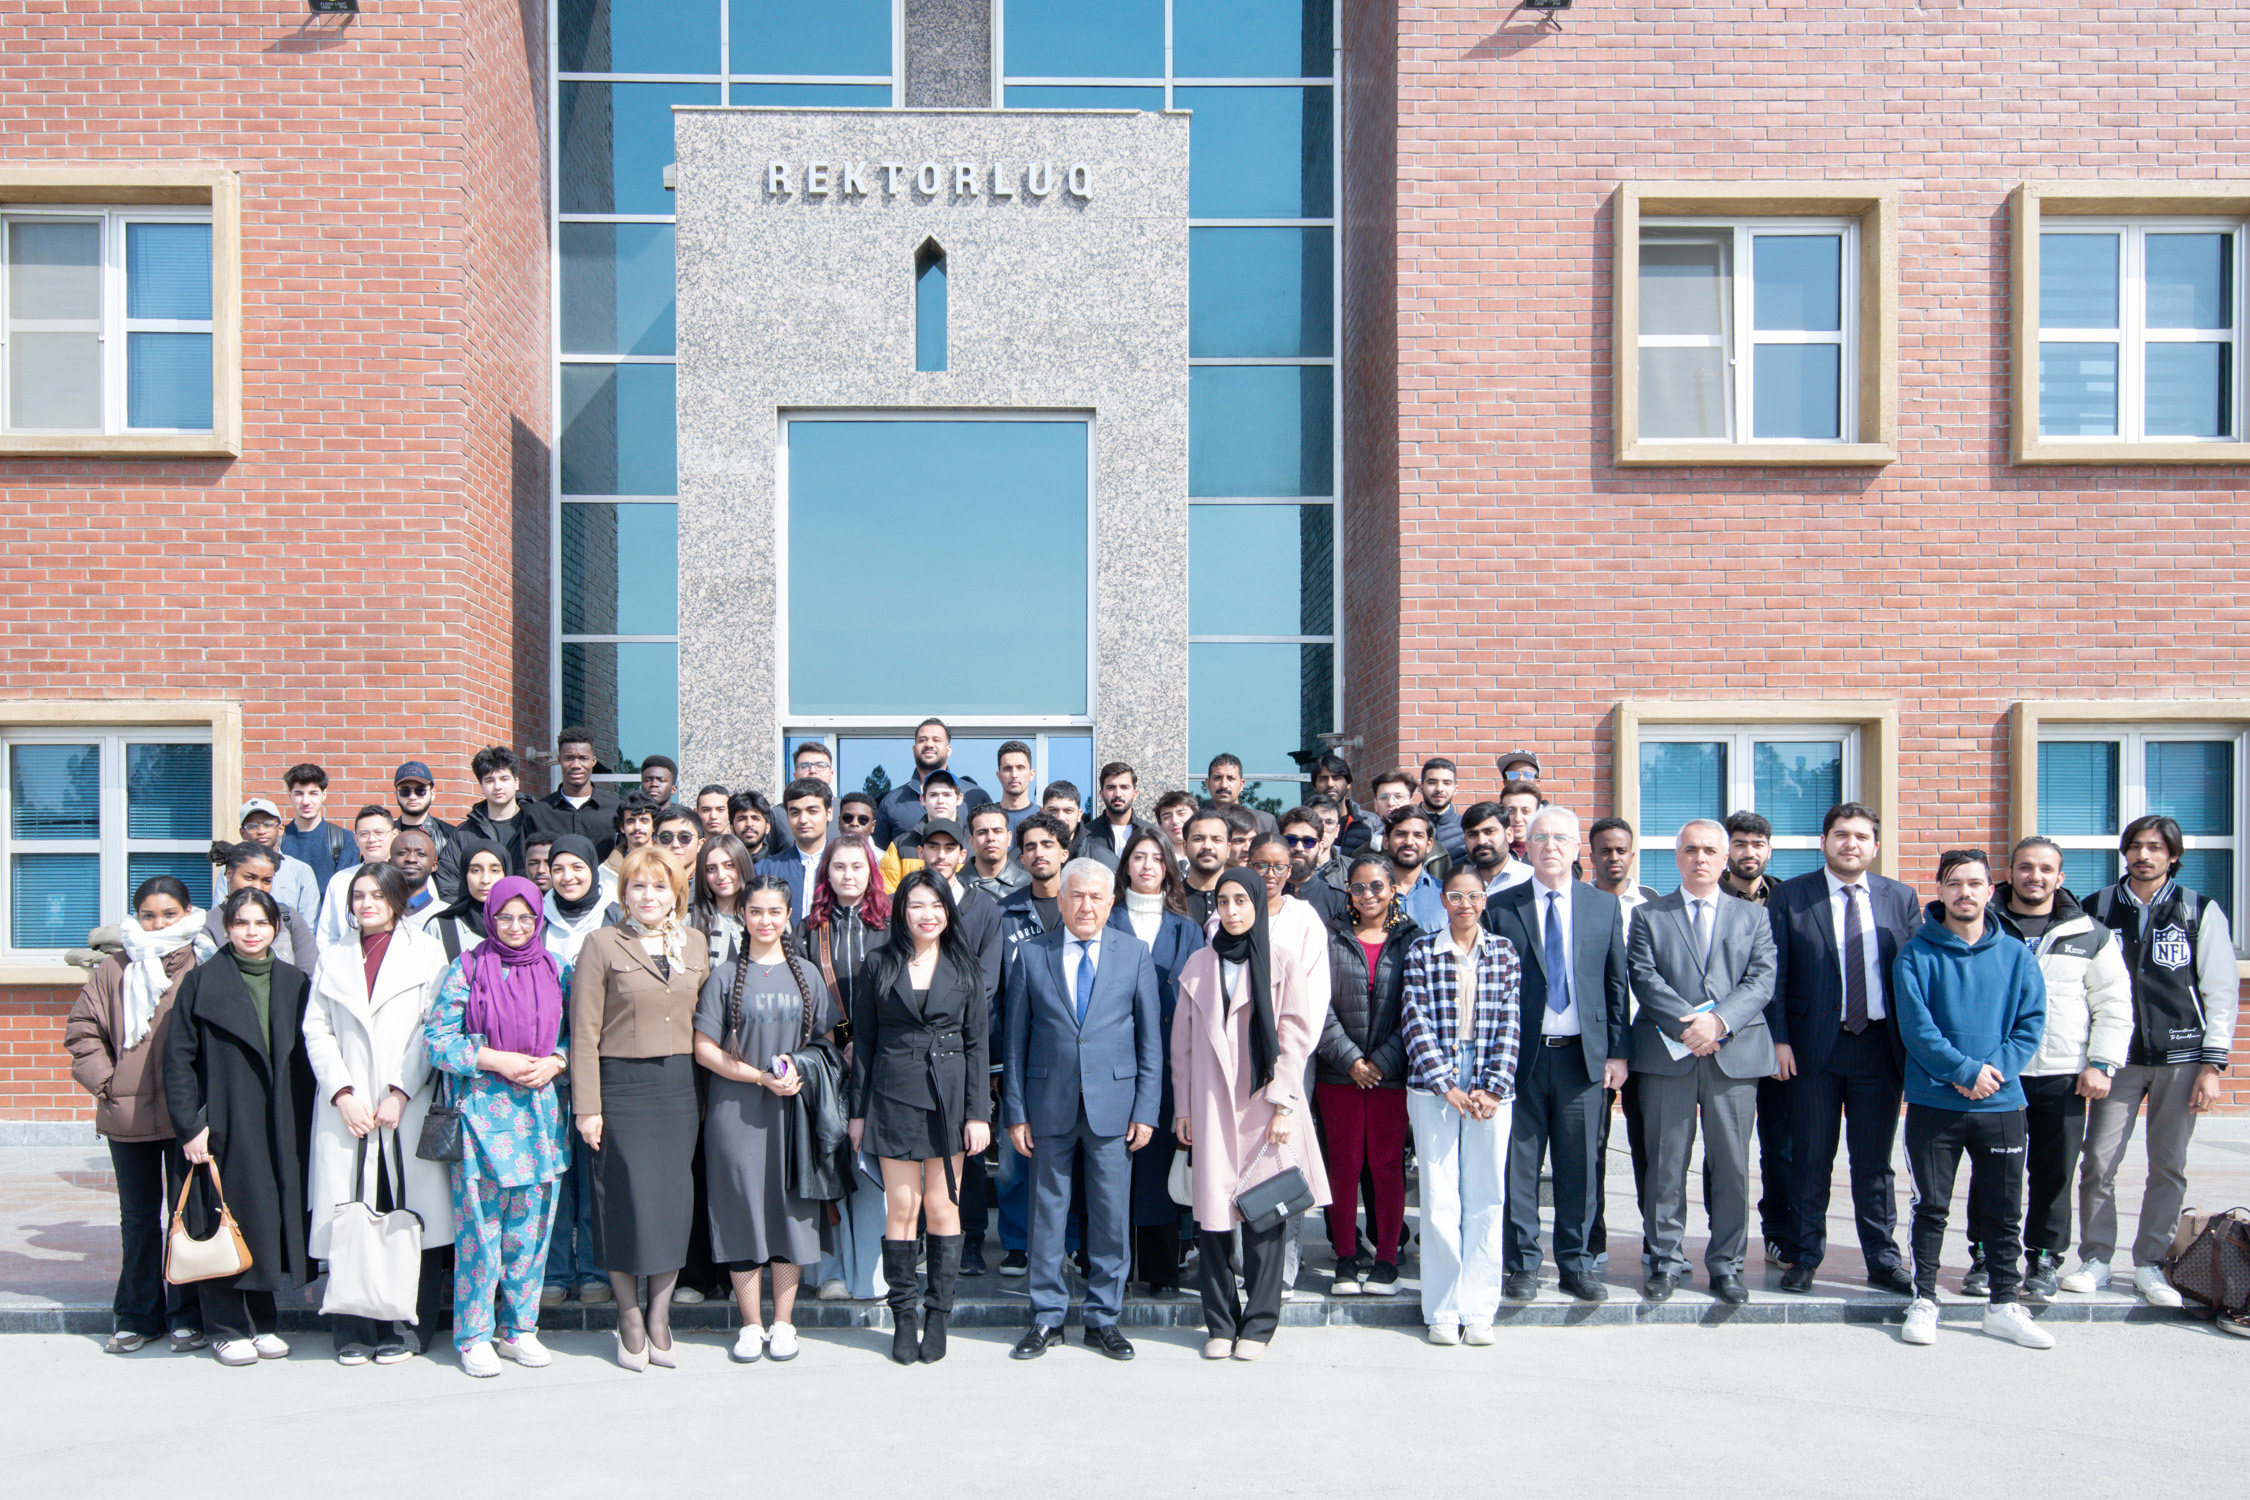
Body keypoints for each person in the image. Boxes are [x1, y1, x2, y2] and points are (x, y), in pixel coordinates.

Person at [2067, 813, 2239, 1307]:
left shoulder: (2198, 910)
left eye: (2156, 847)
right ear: (2125, 852)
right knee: (2098, 1162)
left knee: (2168, 1166)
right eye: (2136, 846)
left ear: (2173, 855)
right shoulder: (2097, 907)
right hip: (2115, 1058)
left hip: (2181, 1057)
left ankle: (2150, 1263)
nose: (2144, 855)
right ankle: (2096, 1259)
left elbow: (2221, 991)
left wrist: (2212, 1067)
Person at [1003, 858, 1163, 1362]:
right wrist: (1015, 1112)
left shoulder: (1134, 954)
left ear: (1111, 902)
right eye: (1076, 895)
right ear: (1061, 899)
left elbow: (1150, 1042)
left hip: (1114, 1109)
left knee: (1111, 1217)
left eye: (1096, 896)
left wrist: (1146, 1110)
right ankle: (1046, 1316)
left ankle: (1103, 1318)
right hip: (1047, 1106)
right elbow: (1014, 1042)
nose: (1086, 906)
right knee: (1047, 1214)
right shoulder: (1032, 954)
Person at [1892, 850, 2052, 1349]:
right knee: (1931, 1207)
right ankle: (1924, 1299)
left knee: (2003, 1211)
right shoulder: (1915, 955)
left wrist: (1990, 1075)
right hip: (1935, 1104)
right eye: (1955, 883)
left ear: (1990, 891)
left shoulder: (2017, 955)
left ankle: (2004, 1304)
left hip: (2001, 1105)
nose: (1965, 892)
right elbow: (1917, 1030)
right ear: (1940, 890)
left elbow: (2030, 1024)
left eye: (1975, 883)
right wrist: (1964, 1073)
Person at [1170, 869, 1330, 1361]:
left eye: (1242, 900)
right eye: (1224, 901)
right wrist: (1183, 1109)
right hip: (1211, 1105)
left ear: (1258, 904)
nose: (1232, 910)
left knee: (1265, 1217)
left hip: (1265, 1105)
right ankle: (1220, 1323)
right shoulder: (1199, 963)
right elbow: (1182, 1045)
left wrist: (1283, 1103)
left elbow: (1296, 1037)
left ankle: (1259, 1325)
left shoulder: (1281, 960)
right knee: (1213, 1220)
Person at [303, 862, 456, 1363]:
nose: (366, 904)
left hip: (402, 1106)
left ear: (396, 899)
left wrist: (400, 1092)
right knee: (349, 1216)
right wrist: (343, 1093)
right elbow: (317, 1029)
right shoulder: (334, 956)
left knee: (410, 1216)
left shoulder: (426, 951)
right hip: (348, 1109)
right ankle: (354, 1328)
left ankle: (408, 1327)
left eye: (376, 894)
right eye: (358, 895)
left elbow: (432, 1027)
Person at [1766, 802, 1920, 1297]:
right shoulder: (1791, 896)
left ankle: (1882, 1259)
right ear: (1824, 842)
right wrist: (1779, 1039)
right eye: (1840, 834)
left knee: (1874, 1163)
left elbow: (1914, 977)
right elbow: (1774, 975)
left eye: (1860, 836)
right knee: (1810, 1159)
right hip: (1812, 1049)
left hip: (1879, 1047)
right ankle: (1804, 1256)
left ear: (1875, 845)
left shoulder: (1900, 897)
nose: (1850, 843)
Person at [423, 875, 571, 1377]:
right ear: (489, 918)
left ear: (538, 919)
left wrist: (556, 1061)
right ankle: (473, 1334)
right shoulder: (467, 968)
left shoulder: (557, 969)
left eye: (525, 917)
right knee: (480, 1233)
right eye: (504, 917)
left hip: (540, 1119)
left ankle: (519, 1329)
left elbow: (579, 1034)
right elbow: (437, 1040)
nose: (515, 926)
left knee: (530, 1232)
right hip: (480, 1117)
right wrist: (493, 1058)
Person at [1626, 819, 1778, 1307]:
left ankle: (1727, 1265)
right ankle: (1666, 1261)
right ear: (1677, 857)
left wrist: (1718, 1023)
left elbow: (1761, 979)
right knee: (1666, 1164)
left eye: (1710, 850)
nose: (1700, 858)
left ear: (1724, 857)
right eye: (1690, 849)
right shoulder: (1649, 915)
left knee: (1731, 1165)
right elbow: (1644, 977)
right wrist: (1690, 1028)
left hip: (1733, 1055)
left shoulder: (1753, 916)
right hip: (1667, 1054)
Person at [162, 888, 317, 1365]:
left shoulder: (294, 981)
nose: (252, 932)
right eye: (241, 923)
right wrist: (190, 1126)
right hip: (224, 1120)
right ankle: (225, 1327)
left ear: (276, 928)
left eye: (261, 923)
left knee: (265, 1218)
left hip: (281, 1120)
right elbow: (177, 1061)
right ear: (226, 927)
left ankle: (263, 1322)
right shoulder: (201, 982)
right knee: (222, 1216)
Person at [1481, 806, 1630, 1302]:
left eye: (1561, 838)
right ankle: (1522, 1264)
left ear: (1576, 848)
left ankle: (1576, 1263)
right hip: (1519, 1060)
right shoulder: (1501, 907)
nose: (1551, 846)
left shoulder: (1603, 906)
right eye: (1541, 837)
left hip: (1582, 1060)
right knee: (1518, 1169)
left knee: (1579, 1168)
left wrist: (1617, 1053)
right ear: (1527, 846)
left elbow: (1615, 984)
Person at [570, 847, 711, 1369]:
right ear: (624, 892)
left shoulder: (694, 942)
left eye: (659, 886)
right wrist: (587, 1107)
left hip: (679, 1089)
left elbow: (706, 1019)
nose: (649, 896)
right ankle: (628, 1316)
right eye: (638, 886)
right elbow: (583, 1031)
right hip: (621, 1088)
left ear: (677, 893)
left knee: (673, 1203)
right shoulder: (601, 943)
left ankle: (659, 1315)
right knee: (624, 1202)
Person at [694, 875, 843, 1365]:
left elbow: (831, 1035)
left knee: (789, 1216)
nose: (765, 920)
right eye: (755, 911)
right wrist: (758, 1077)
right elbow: (703, 1049)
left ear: (787, 916)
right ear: (743, 915)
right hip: (735, 1114)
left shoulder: (808, 974)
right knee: (740, 1213)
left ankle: (783, 1322)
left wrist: (801, 1065)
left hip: (794, 1113)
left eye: (774, 912)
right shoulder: (722, 977)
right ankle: (750, 1324)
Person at [66, 874, 214, 1353]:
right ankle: (136, 1315)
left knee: (186, 1215)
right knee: (137, 1219)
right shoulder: (114, 968)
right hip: (126, 1116)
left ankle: (186, 1314)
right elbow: (83, 1030)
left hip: (186, 1116)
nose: (158, 923)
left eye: (169, 914)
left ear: (188, 912)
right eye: (148, 915)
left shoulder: (204, 961)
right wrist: (107, 1084)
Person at [850, 870, 992, 1363]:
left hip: (949, 1098)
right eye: (916, 905)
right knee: (903, 1208)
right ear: (901, 912)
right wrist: (857, 1112)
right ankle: (904, 1318)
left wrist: (978, 1114)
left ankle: (938, 1316)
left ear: (948, 911)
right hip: (892, 1096)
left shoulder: (965, 966)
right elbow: (864, 1043)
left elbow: (977, 1046)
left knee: (942, 1207)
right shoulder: (878, 963)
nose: (927, 914)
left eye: (936, 905)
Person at [1990, 836, 2130, 1300]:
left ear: (2060, 877)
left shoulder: (2090, 933)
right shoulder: (1983, 923)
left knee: (2055, 1174)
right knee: (1996, 1171)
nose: (2035, 876)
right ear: (2010, 873)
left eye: (2046, 869)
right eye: (2026, 867)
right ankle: (1987, 1256)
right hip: (1999, 1073)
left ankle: (2045, 1259)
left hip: (2063, 1074)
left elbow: (2113, 1004)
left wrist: (2102, 1064)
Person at [1400, 865, 1523, 1344]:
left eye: (1473, 896)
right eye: (1455, 896)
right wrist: (1444, 1084)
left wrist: (1493, 1087)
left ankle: (1478, 1307)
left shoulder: (1504, 953)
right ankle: (1443, 1309)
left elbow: (1511, 1020)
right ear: (1444, 901)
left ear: (1485, 900)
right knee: (1439, 1197)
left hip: (1490, 1078)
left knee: (1486, 1195)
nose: (1465, 905)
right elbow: (1414, 1019)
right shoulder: (1422, 951)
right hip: (1434, 1082)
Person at [1316, 852, 1420, 1299]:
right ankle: (1344, 1256)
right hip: (1339, 1073)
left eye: (1377, 886)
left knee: (1386, 1166)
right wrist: (1352, 1060)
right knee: (1342, 1166)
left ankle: (1386, 1261)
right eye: (1358, 887)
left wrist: (1382, 1061)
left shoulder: (1413, 939)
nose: (1368, 895)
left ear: (1393, 889)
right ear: (1348, 892)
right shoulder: (1329, 935)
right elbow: (1315, 1003)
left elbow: (1418, 1006)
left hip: (1390, 1076)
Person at [1108, 827, 1206, 1297]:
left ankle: (1162, 1269)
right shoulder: (1105, 919)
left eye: (1156, 858)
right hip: (1113, 1060)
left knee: (1159, 1163)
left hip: (1170, 1063)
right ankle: (1110, 1267)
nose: (1147, 865)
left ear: (1168, 868)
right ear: (1125, 865)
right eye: (1138, 857)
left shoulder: (1187, 929)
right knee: (1113, 1163)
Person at [797, 835, 893, 1302]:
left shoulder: (891, 923)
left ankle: (872, 1274)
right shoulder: (808, 928)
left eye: (857, 866)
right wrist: (841, 1039)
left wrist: (866, 1043)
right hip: (826, 1062)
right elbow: (804, 994)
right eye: (839, 867)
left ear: (871, 871)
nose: (848, 875)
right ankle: (831, 1271)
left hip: (882, 1061)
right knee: (829, 1161)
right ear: (826, 873)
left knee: (873, 1166)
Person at [539, 834, 612, 1309]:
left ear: (592, 870)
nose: (568, 877)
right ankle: (554, 1270)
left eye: (577, 868)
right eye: (558, 868)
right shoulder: (534, 918)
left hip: (600, 1061)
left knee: (594, 1170)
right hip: (544, 1066)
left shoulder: (613, 916)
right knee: (554, 1172)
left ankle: (594, 1268)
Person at [1719, 809, 1791, 1264]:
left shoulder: (1788, 899)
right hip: (1724, 1041)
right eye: (1741, 843)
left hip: (1779, 1043)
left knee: (1781, 1147)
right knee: (1725, 1151)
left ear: (1769, 850)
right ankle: (1723, 1239)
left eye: (1758, 844)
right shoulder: (1707, 896)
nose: (1749, 852)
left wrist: (1784, 1038)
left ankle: (1777, 1233)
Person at [1586, 814, 1656, 1273]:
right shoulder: (1580, 904)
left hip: (1648, 1041)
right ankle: (1593, 1241)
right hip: (1596, 1045)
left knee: (1651, 1147)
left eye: (1621, 850)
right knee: (1591, 1148)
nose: (1613, 857)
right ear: (1591, 856)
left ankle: (1656, 1241)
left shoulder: (1655, 905)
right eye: (1604, 850)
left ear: (1633, 854)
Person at [873, 718, 990, 848]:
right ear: (914, 750)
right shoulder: (891, 802)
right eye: (922, 740)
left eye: (936, 740)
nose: (929, 744)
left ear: (949, 750)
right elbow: (878, 855)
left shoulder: (975, 797)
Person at [205, 841, 317, 967]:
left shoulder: (288, 917)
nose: (257, 887)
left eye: (266, 881)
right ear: (229, 874)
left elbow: (308, 971)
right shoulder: (209, 923)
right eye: (249, 877)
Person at [527, 727, 621, 863]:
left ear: (593, 761)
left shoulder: (615, 810)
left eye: (583, 758)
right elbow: (524, 863)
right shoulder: (538, 813)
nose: (576, 765)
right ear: (559, 760)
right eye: (569, 758)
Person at [314, 806, 399, 952]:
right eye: (364, 834)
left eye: (379, 833)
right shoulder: (340, 881)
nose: (372, 839)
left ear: (394, 834)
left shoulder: (409, 877)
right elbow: (327, 937)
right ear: (356, 839)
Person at [758, 777, 834, 920]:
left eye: (812, 811)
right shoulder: (765, 870)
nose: (803, 820)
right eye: (795, 813)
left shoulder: (845, 867)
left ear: (829, 813)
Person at [281, 762, 357, 905]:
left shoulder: (344, 839)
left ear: (324, 795)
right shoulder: (279, 840)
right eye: (299, 794)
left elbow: (346, 893)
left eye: (313, 793)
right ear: (289, 795)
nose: (306, 801)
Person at [232, 797, 321, 919]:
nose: (261, 831)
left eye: (268, 825)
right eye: (253, 826)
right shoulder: (232, 869)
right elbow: (221, 916)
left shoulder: (301, 871)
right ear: (243, 833)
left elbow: (308, 923)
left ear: (280, 829)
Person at [427, 841, 509, 963]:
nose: (485, 880)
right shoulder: (441, 927)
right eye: (476, 870)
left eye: (495, 870)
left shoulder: (523, 926)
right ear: (464, 874)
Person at [879, 769, 963, 887]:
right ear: (923, 799)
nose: (940, 801)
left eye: (947, 795)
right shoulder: (900, 845)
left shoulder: (972, 844)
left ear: (959, 799)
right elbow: (887, 894)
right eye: (933, 795)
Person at [1279, 806, 1346, 926]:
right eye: (1290, 840)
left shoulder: (1338, 900)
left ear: (1320, 848)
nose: (1299, 848)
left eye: (1308, 842)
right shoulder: (1263, 895)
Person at [1384, 806, 1447, 934]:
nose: (1409, 842)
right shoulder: (1369, 895)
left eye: (1418, 835)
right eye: (1401, 834)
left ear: (1428, 845)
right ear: (1386, 841)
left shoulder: (1445, 894)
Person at [390, 760, 454, 875]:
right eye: (405, 791)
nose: (412, 797)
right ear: (396, 795)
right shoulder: (386, 836)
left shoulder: (449, 836)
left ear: (432, 794)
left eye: (420, 791)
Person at [1087, 761, 1157, 864]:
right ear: (1101, 794)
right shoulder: (1086, 835)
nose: (1118, 794)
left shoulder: (1153, 834)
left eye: (1124, 787)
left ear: (1134, 794)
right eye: (1111, 787)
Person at [1203, 752, 1279, 843]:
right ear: (1207, 783)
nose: (1224, 785)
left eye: (1231, 778)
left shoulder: (1265, 823)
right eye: (1217, 778)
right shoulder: (1196, 823)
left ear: (1242, 784)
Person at [1311, 752, 1375, 857]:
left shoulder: (1371, 822)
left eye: (1336, 778)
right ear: (1314, 786)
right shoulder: (1304, 822)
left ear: (1348, 783)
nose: (1330, 784)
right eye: (1323, 779)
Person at [1462, 802, 1533, 896]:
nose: (1481, 841)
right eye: (1472, 835)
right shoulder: (1458, 884)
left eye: (1489, 832)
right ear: (1465, 840)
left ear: (1509, 835)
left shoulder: (1532, 879)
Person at [967, 802, 1030, 903]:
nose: (990, 838)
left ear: (1009, 838)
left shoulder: (1030, 885)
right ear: (971, 841)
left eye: (997, 831)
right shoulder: (954, 885)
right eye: (982, 832)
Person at [1180, 809, 1232, 928]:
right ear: (1184, 847)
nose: (1207, 846)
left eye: (1216, 840)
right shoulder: (1169, 898)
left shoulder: (1242, 898)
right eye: (1198, 839)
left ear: (1228, 849)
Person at [1417, 757, 1467, 865]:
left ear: (1455, 789)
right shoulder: (1405, 826)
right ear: (1420, 787)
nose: (1439, 789)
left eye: (1447, 783)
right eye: (1432, 782)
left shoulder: (1466, 828)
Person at [390, 827, 444, 922]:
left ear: (434, 866)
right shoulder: (372, 911)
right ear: (389, 863)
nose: (411, 859)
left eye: (421, 854)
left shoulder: (447, 916)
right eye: (403, 853)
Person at [605, 790, 659, 879]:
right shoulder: (606, 870)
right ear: (622, 827)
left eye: (644, 821)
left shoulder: (668, 863)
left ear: (654, 826)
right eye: (630, 821)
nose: (637, 827)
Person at [992, 740, 1039, 832]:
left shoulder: (1043, 817)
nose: (1014, 775)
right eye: (1007, 768)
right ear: (999, 776)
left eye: (1020, 767)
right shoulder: (986, 818)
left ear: (1031, 774)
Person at [1367, 769, 1417, 853]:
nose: (1390, 803)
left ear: (1411, 802)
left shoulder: (1432, 851)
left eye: (1399, 797)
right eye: (1384, 797)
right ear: (1376, 804)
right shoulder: (1362, 852)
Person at [730, 789, 783, 859]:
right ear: (731, 828)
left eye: (755, 818)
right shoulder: (722, 865)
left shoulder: (779, 865)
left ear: (767, 827)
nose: (749, 824)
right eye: (742, 819)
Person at [1154, 789, 1199, 855]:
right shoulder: (1155, 859)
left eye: (1181, 814)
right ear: (1160, 826)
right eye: (1167, 817)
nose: (1175, 821)